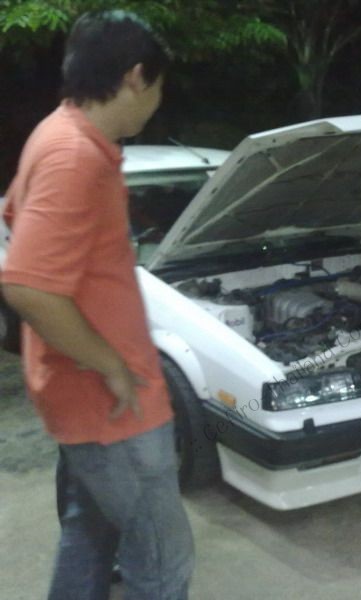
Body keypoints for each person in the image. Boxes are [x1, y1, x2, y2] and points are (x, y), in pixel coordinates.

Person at [1, 10, 194, 599]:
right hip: (110, 406)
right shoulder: (74, 156)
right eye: (158, 86)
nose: (157, 101)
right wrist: (111, 364)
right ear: (136, 76)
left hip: (79, 395)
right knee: (162, 562)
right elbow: (28, 284)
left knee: (90, 536)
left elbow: (13, 219)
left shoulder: (58, 134)